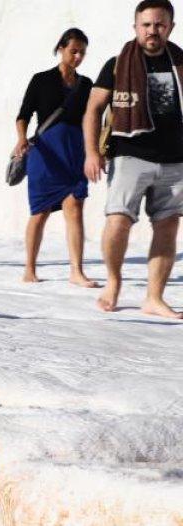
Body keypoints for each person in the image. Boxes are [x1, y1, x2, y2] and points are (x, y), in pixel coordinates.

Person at [84, 0, 183, 319]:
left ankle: (154, 297)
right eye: (147, 25)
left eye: (160, 24)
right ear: (136, 27)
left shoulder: (179, 61)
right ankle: (113, 282)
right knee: (118, 221)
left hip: (175, 158)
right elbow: (93, 110)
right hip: (130, 153)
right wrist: (91, 151)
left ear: (170, 26)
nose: (153, 30)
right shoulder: (117, 64)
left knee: (167, 227)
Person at [15, 29, 98, 286]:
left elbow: (92, 118)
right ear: (61, 48)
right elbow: (24, 114)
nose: (78, 57)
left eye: (82, 53)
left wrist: (95, 149)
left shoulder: (86, 85)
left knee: (75, 208)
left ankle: (77, 271)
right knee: (40, 211)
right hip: (46, 153)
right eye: (74, 51)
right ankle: (29, 267)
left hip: (75, 152)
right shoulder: (41, 80)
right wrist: (21, 138)